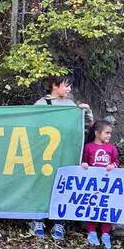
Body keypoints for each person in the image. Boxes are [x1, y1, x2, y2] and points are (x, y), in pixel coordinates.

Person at [31, 74, 94, 240]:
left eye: (70, 86)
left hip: (65, 152)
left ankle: (59, 221)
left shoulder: (70, 104)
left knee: (62, 185)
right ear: (55, 85)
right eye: (66, 85)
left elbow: (85, 126)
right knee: (42, 184)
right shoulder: (42, 104)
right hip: (44, 154)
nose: (69, 89)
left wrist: (86, 112)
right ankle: (38, 219)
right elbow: (31, 125)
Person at [80, 120, 120, 249]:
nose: (109, 136)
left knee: (106, 207)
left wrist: (112, 166)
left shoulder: (111, 148)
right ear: (97, 133)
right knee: (92, 206)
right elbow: (84, 161)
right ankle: (91, 232)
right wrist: (84, 165)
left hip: (107, 184)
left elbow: (116, 162)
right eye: (107, 133)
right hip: (93, 183)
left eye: (110, 133)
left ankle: (105, 234)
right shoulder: (88, 147)